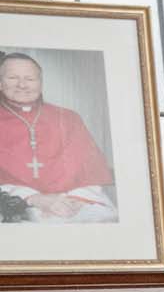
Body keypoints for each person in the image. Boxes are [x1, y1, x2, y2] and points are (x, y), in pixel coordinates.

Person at [0, 52, 117, 222]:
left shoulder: (68, 118)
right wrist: (34, 199)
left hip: (74, 202)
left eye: (30, 79)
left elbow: (89, 168)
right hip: (15, 205)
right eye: (12, 78)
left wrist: (78, 200)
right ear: (0, 83)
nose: (22, 85)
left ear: (41, 84)